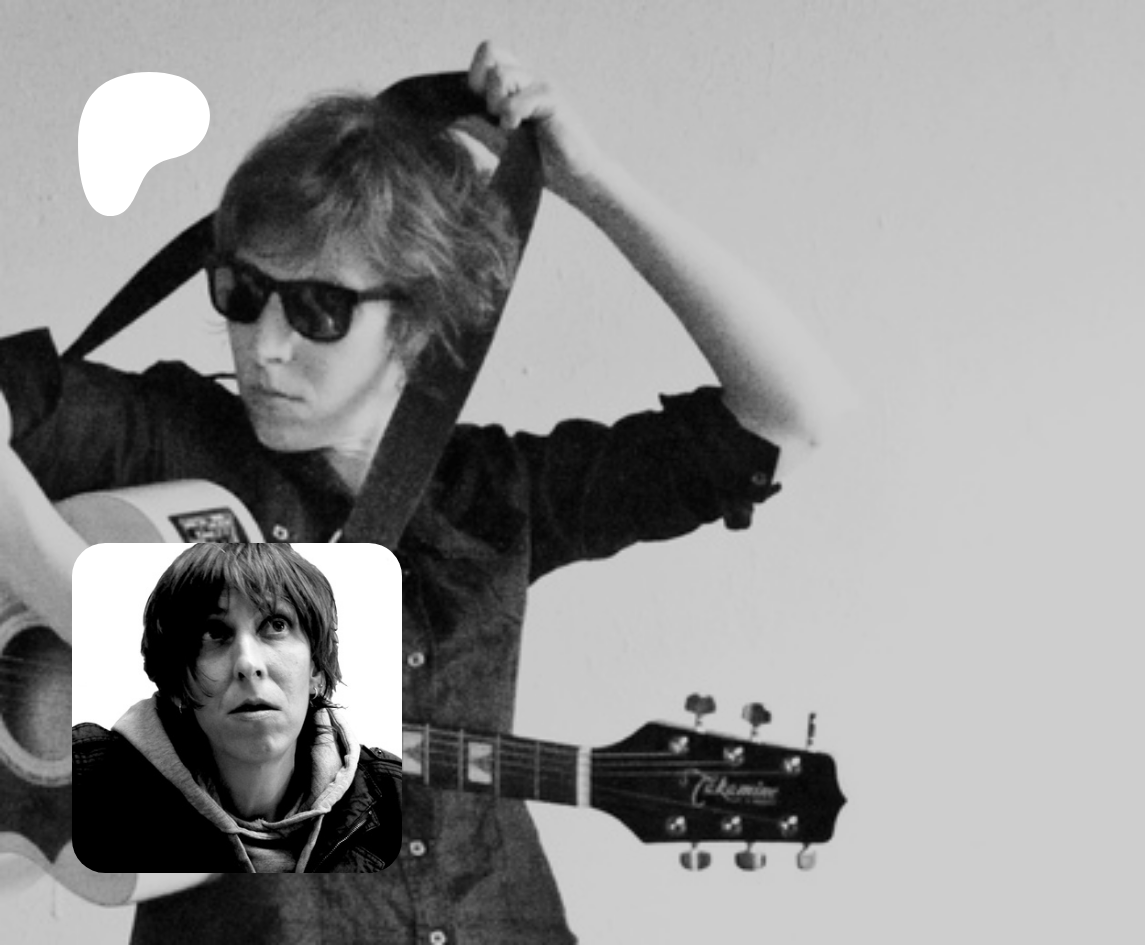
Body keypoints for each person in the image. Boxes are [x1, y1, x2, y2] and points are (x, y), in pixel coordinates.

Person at [0, 41, 853, 943]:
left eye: (318, 309)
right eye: (242, 293)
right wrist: (70, 589)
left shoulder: (496, 495)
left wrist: (592, 184)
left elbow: (792, 416)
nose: (265, 346)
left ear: (417, 319)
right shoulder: (170, 436)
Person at [71, 542, 400, 874]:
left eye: (276, 625)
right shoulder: (81, 786)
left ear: (315, 667)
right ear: (177, 679)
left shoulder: (400, 799)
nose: (248, 664)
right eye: (215, 632)